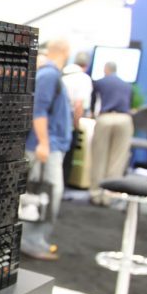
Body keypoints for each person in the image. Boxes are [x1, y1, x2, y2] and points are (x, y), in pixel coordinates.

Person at [22, 39, 73, 261]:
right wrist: (43, 143)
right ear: (66, 51)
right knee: (43, 195)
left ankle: (36, 240)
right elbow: (39, 110)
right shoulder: (50, 75)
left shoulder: (50, 74)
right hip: (45, 147)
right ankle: (30, 241)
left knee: (45, 194)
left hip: (49, 145)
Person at [89, 61, 134, 205]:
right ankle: (109, 196)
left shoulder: (99, 82)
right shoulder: (127, 85)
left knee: (99, 157)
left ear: (105, 69)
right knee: (117, 159)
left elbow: (93, 102)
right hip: (124, 119)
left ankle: (96, 194)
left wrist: (92, 113)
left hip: (105, 118)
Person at [61, 51, 93, 181]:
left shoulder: (61, 73)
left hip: (54, 120)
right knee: (66, 157)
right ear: (87, 65)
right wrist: (76, 125)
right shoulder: (83, 78)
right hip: (68, 122)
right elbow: (79, 104)